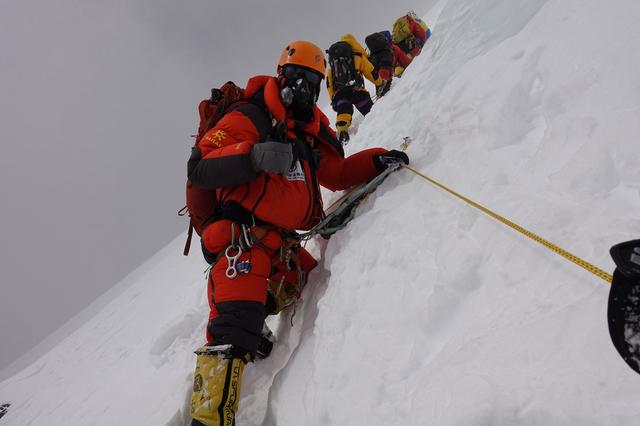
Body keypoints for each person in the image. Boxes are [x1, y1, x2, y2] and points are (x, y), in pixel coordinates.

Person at [186, 40, 409, 425]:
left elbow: (336, 174)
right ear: (280, 76)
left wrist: (376, 159)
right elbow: (201, 165)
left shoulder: (306, 135)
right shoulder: (249, 116)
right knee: (233, 323)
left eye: (312, 80)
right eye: (296, 77)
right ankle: (207, 417)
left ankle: (259, 341)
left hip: (278, 243)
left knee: (314, 288)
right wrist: (251, 156)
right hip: (240, 241)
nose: (303, 88)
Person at [326, 34, 383, 143]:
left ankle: (342, 131)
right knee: (370, 112)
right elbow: (370, 71)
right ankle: (377, 125)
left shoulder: (333, 64)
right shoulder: (358, 56)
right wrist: (379, 82)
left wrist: (333, 99)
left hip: (340, 94)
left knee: (344, 111)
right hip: (357, 90)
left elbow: (329, 84)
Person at [365, 30, 412, 96]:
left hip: (378, 78)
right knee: (386, 94)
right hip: (387, 74)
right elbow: (406, 62)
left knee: (382, 95)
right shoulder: (393, 48)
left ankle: (381, 96)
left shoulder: (374, 53)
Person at [391, 12, 430, 77]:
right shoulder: (415, 23)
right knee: (412, 52)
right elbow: (423, 34)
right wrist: (425, 44)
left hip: (401, 46)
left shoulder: (401, 25)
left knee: (403, 55)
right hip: (411, 46)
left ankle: (398, 69)